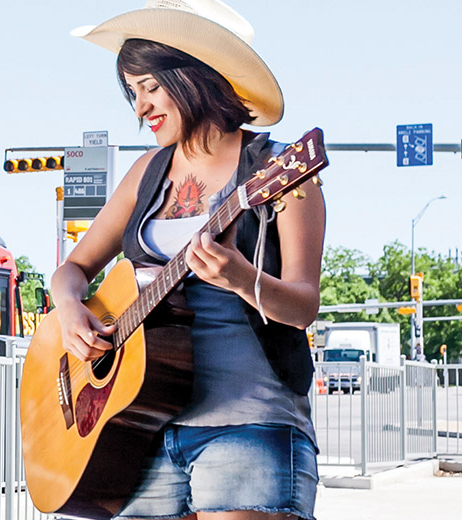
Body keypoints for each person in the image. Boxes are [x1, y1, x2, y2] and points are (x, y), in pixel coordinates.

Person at [51, 1, 325, 519]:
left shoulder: (281, 170)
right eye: (132, 93)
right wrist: (69, 310)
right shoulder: (147, 172)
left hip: (249, 422)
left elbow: (303, 305)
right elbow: (71, 270)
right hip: (142, 428)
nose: (139, 108)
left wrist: (243, 279)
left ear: (195, 75)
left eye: (151, 88)